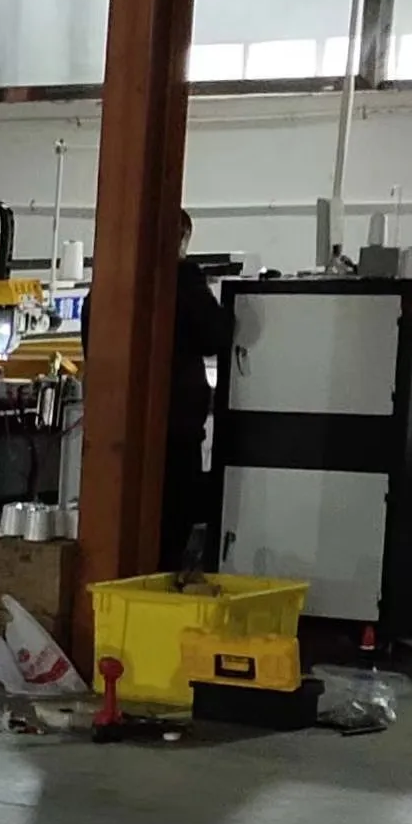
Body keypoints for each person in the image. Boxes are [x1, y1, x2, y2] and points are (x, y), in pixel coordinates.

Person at [163, 211, 234, 573]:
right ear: (181, 240)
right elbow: (217, 335)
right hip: (175, 433)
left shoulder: (109, 280)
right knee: (171, 530)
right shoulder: (182, 283)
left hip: (114, 437)